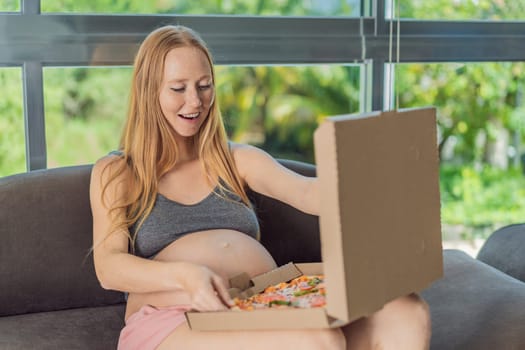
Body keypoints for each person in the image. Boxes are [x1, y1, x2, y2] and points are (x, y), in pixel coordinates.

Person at [90, 25, 431, 350]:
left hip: (263, 304)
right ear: (148, 92)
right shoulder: (118, 172)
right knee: (319, 342)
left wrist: (377, 184)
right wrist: (184, 276)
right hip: (172, 318)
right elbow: (108, 267)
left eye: (204, 85)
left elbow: (307, 193)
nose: (195, 101)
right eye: (178, 88)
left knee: (406, 313)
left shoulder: (236, 159)